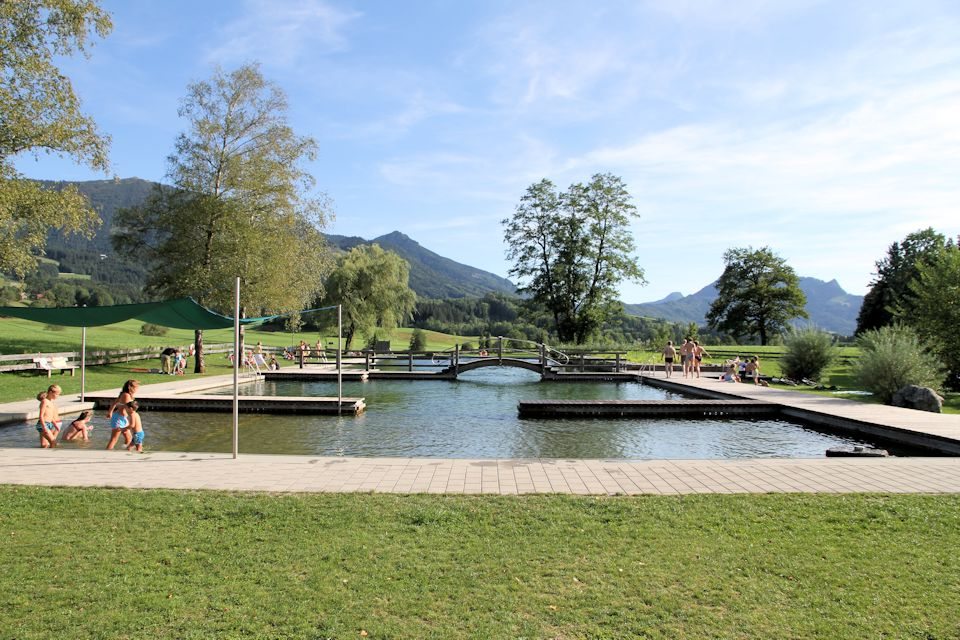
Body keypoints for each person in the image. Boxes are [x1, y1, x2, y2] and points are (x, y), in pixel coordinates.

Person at [106, 379, 139, 450]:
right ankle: (106, 453)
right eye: (136, 387)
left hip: (122, 418)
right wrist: (133, 418)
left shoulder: (126, 394)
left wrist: (110, 412)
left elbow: (114, 403)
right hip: (118, 419)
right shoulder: (126, 395)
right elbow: (129, 409)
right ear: (131, 387)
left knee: (129, 438)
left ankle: (124, 450)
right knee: (114, 439)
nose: (137, 388)